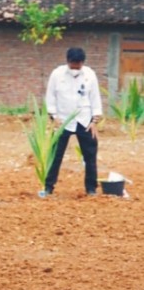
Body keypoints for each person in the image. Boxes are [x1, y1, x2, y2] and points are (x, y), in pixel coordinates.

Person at [45, 47, 102, 196]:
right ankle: (48, 187)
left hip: (84, 120)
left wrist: (94, 121)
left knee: (90, 156)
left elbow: (95, 98)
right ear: (68, 62)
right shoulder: (57, 74)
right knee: (55, 155)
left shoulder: (90, 75)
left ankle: (91, 188)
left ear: (82, 63)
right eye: (73, 65)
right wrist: (53, 117)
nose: (75, 68)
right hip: (62, 120)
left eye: (78, 65)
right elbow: (50, 97)